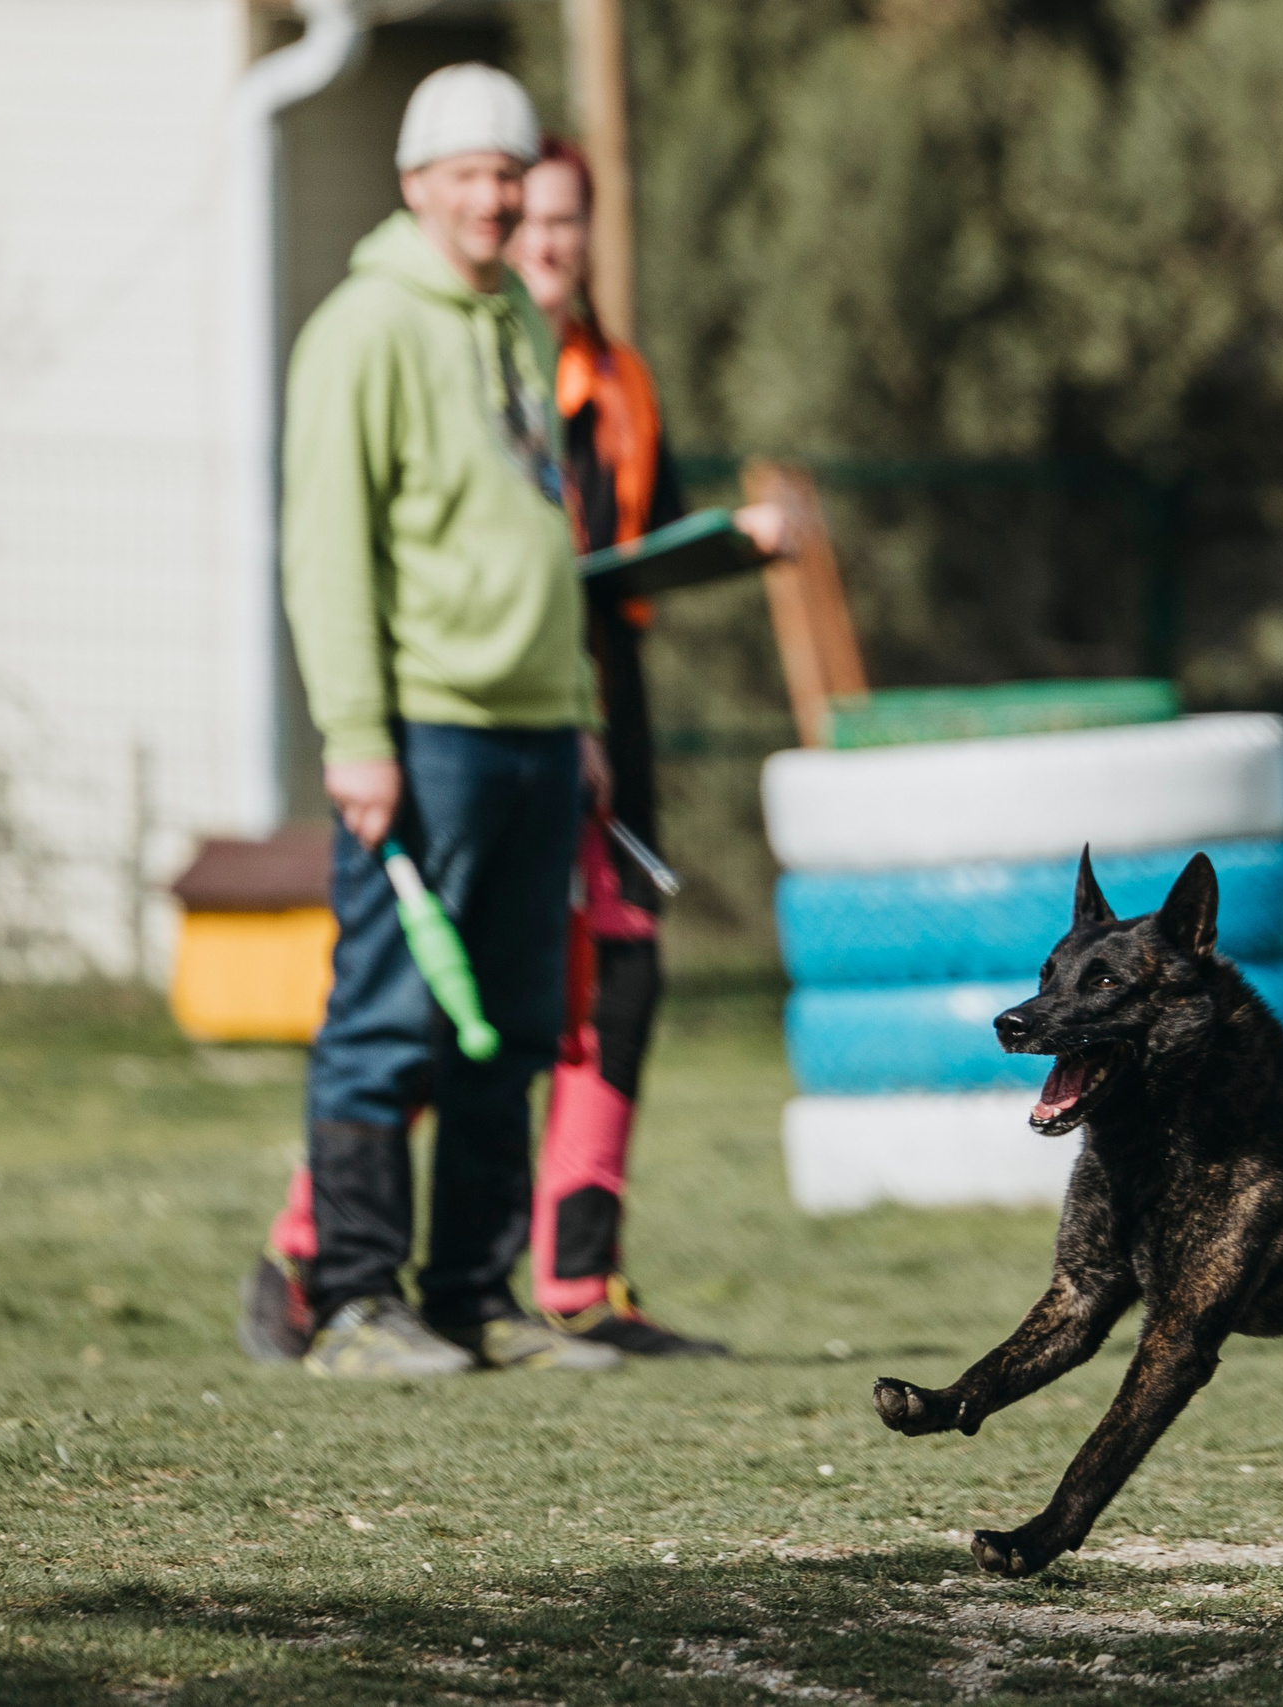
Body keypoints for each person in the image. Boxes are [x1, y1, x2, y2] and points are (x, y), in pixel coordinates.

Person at [237, 64, 617, 1377]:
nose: (496, 198)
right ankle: (349, 1301)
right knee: (388, 1017)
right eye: (470, 174)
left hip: (528, 731)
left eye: (510, 175)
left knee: (507, 1026)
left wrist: (577, 717)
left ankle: (472, 1295)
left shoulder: (514, 314)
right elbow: (327, 549)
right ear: (416, 186)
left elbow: (541, 531)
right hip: (425, 730)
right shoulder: (364, 327)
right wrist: (355, 733)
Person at [498, 135, 787, 1356]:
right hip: (503, 706)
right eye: (530, 221)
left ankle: (577, 1282)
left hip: (609, 703)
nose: (551, 244)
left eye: (568, 220)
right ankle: (314, 1258)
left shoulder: (618, 375)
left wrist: (734, 542)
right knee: (458, 991)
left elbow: (646, 538)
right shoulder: (480, 369)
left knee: (620, 981)